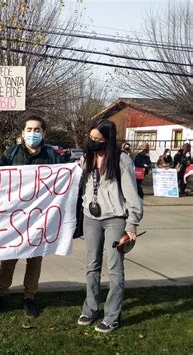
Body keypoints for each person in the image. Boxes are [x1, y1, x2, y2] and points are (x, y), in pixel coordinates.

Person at [0, 115, 64, 317]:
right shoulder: (10, 154)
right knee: (9, 257)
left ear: (44, 133)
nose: (32, 133)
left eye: (37, 130)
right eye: (29, 129)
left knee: (34, 259)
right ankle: (1, 292)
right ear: (22, 133)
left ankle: (30, 296)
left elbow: (66, 176)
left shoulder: (52, 155)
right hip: (14, 217)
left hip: (40, 218)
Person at [77, 119, 143, 333]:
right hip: (90, 217)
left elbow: (133, 194)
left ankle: (113, 316)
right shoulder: (86, 157)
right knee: (92, 265)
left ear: (108, 139)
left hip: (115, 218)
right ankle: (91, 308)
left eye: (98, 139)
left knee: (115, 268)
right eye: (91, 137)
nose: (93, 141)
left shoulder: (121, 160)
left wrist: (132, 224)